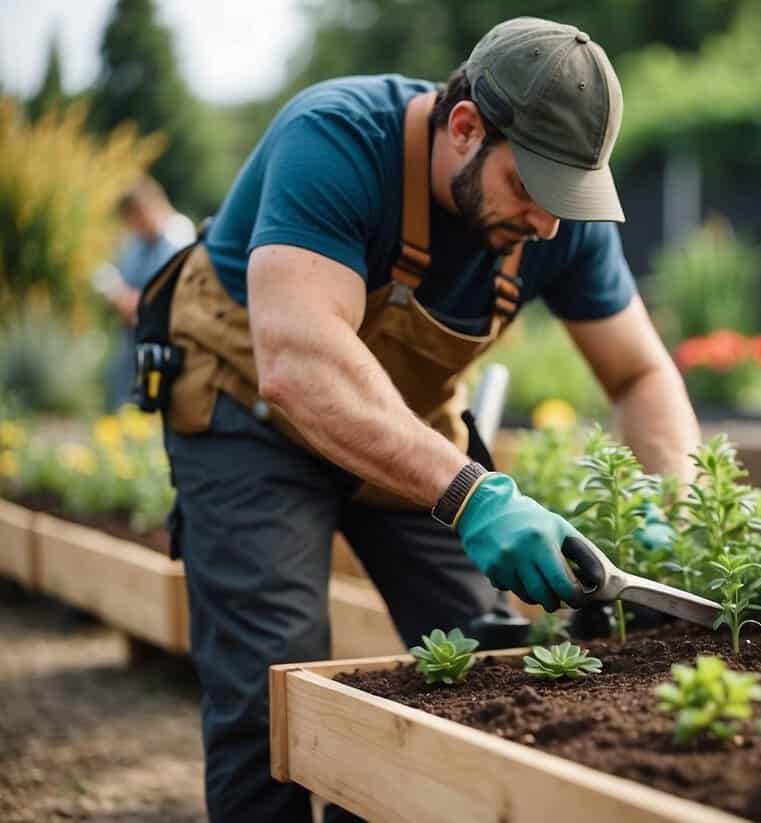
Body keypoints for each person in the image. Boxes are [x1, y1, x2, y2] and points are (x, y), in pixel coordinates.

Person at [160, 17, 701, 822]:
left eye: (569, 195)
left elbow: (639, 371)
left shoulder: (561, 220)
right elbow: (299, 365)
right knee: (270, 680)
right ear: (464, 128)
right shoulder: (336, 139)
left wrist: (673, 505)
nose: (551, 223)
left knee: (484, 663)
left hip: (398, 425)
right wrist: (473, 495)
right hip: (250, 414)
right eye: (532, 188)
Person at [95, 177, 195, 410]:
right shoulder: (137, 241)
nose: (133, 226)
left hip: (168, 341)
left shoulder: (177, 236)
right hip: (135, 338)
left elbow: (160, 299)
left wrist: (128, 301)